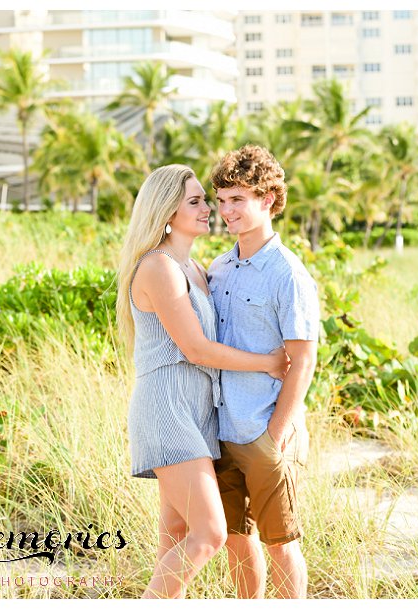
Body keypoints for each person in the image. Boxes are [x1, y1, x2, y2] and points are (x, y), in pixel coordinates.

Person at [115, 164, 289, 598]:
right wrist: (268, 363)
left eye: (203, 200)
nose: (208, 208)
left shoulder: (195, 268)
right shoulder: (158, 267)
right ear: (167, 212)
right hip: (168, 410)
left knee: (175, 534)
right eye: (194, 201)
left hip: (198, 410)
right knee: (210, 534)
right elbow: (195, 349)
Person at [206, 145, 321, 599]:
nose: (226, 210)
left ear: (268, 200)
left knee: (281, 544)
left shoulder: (288, 274)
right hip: (221, 428)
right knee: (236, 541)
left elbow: (303, 359)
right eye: (221, 200)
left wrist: (277, 433)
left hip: (264, 430)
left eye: (238, 199)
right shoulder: (219, 268)